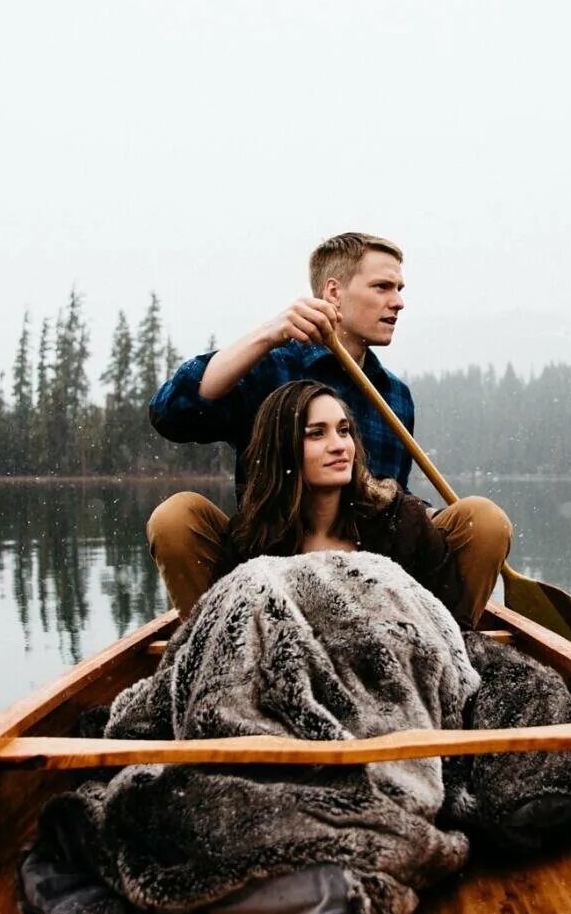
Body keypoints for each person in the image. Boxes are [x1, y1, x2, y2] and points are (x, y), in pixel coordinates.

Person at [147, 232, 510, 623]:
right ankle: (214, 646)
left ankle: (449, 651)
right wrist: (270, 333)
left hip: (375, 575)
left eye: (400, 289)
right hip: (268, 561)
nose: (399, 302)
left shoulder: (395, 395)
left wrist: (421, 517)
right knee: (175, 517)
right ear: (333, 293)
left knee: (482, 521)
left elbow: (390, 493)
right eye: (382, 287)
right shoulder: (272, 366)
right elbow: (171, 413)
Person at [212, 381, 472, 621]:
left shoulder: (401, 523)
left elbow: (450, 624)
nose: (339, 445)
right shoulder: (248, 541)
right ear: (282, 448)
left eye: (344, 430)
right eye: (317, 434)